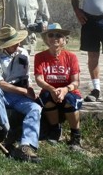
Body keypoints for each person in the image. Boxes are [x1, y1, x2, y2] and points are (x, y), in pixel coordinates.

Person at [0, 24, 42, 163]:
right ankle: (5, 129)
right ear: (4, 45)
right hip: (2, 93)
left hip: (20, 94)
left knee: (35, 108)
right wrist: (22, 91)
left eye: (18, 42)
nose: (17, 45)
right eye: (13, 44)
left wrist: (30, 90)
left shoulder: (23, 53)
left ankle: (26, 145)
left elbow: (26, 76)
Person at [34, 23, 83, 151]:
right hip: (50, 90)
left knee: (70, 101)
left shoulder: (71, 57)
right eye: (51, 35)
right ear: (46, 39)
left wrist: (65, 89)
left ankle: (75, 135)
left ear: (64, 40)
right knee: (46, 98)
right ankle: (55, 130)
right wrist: (52, 89)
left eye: (58, 35)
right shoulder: (40, 57)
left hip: (69, 91)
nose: (54, 38)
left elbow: (76, 82)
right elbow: (39, 79)